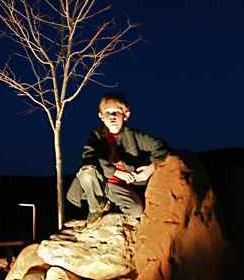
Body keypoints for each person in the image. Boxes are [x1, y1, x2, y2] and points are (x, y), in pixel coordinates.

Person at [66, 92, 169, 227]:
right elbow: (90, 157)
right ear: (101, 116)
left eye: (117, 112)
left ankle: (111, 210)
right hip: (99, 183)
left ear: (126, 115)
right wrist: (117, 172)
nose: (112, 116)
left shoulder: (134, 136)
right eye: (107, 112)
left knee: (136, 210)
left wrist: (150, 168)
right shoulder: (96, 136)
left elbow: (161, 147)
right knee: (86, 172)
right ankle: (96, 208)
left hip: (118, 187)